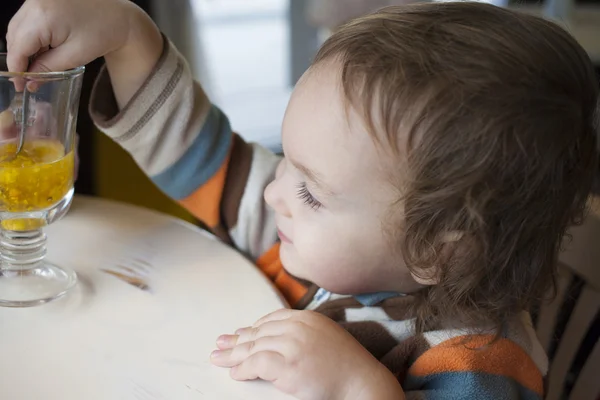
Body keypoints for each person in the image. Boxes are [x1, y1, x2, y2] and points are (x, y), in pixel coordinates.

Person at [7, 0, 598, 399]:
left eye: (311, 191)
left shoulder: (482, 367)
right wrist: (126, 32)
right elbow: (205, 157)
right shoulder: (342, 245)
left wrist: (358, 387)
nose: (271, 191)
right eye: (286, 160)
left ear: (434, 253)